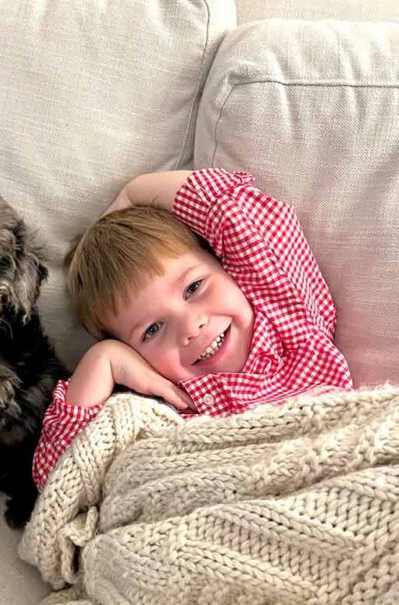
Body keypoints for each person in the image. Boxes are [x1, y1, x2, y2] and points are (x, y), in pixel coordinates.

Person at [32, 168, 353, 489]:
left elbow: (234, 210)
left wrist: (134, 192)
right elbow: (59, 481)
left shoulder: (289, 321)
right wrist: (102, 360)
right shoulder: (156, 411)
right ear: (134, 356)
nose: (190, 325)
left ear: (226, 264)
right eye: (153, 329)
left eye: (193, 288)